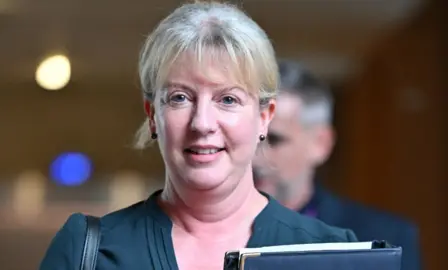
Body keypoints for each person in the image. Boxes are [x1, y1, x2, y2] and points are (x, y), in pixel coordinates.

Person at [39, 2, 358, 270]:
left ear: (263, 118)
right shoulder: (89, 251)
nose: (202, 123)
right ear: (153, 115)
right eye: (180, 97)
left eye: (228, 99)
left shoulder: (332, 253)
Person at [253, 60, 421, 270]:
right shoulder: (208, 229)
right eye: (248, 137)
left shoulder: (382, 239)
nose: (254, 156)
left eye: (274, 139)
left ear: (320, 144)